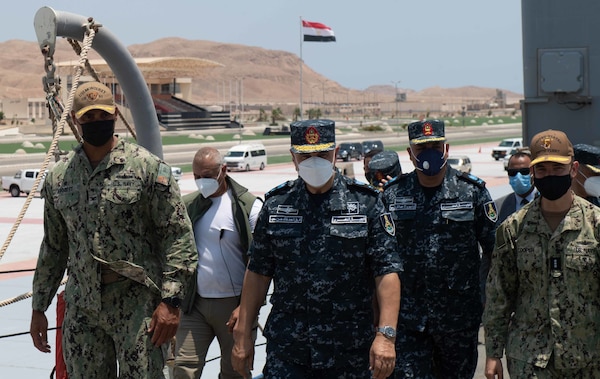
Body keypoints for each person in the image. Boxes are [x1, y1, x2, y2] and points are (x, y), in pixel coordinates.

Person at [29, 81, 198, 378]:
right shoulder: (59, 178)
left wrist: (171, 301)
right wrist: (39, 307)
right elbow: (54, 248)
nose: (97, 122)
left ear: (116, 114)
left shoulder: (147, 168)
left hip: (138, 304)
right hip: (83, 307)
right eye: (89, 117)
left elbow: (178, 236)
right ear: (75, 120)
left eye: (103, 115)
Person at [232, 119, 402, 379]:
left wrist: (386, 336)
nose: (314, 160)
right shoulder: (276, 206)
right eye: (305, 154)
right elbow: (257, 273)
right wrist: (243, 337)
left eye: (321, 153)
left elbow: (386, 272)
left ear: (335, 152)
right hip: (289, 350)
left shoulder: (367, 203)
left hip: (350, 350)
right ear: (293, 157)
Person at [381, 119, 497, 378]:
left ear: (446, 149)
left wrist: (488, 304)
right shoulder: (392, 195)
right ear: (410, 154)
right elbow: (380, 257)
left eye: (435, 145)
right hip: (409, 321)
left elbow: (494, 252)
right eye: (422, 148)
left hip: (458, 319)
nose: (429, 153)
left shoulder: (472, 192)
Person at [484, 129, 600, 379]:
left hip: (588, 358)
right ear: (533, 173)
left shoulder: (596, 224)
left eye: (557, 169)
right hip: (529, 358)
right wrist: (493, 353)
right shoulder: (514, 228)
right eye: (542, 170)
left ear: (573, 168)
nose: (550, 176)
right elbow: (499, 294)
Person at [174, 146, 262, 379]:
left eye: (207, 176)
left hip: (235, 307)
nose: (202, 182)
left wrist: (245, 307)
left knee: (235, 371)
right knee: (183, 368)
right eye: (196, 177)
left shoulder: (249, 208)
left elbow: (260, 263)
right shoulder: (187, 207)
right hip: (196, 305)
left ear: (223, 170)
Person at [495, 148, 537, 225]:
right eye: (513, 172)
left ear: (533, 172)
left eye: (524, 171)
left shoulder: (547, 202)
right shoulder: (498, 206)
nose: (518, 176)